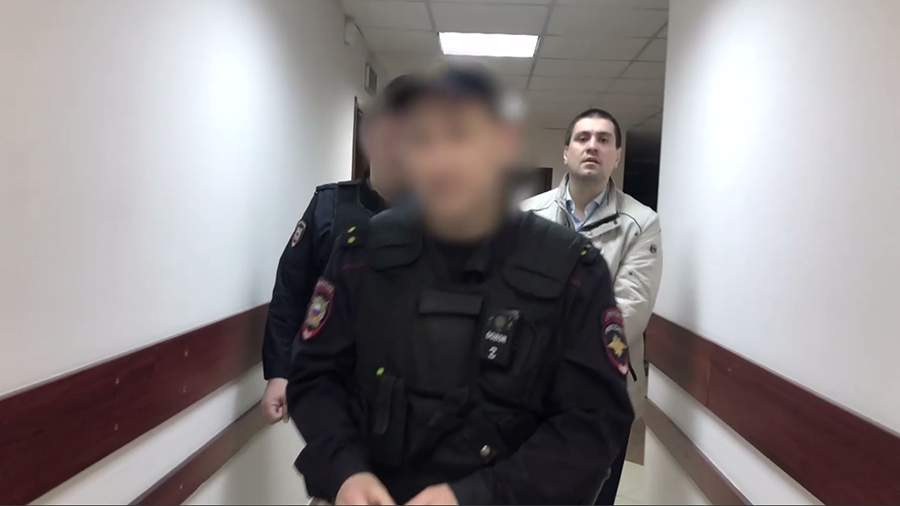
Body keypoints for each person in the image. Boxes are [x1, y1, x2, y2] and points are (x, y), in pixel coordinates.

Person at [287, 65, 634, 505]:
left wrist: (474, 496)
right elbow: (315, 376)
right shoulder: (361, 253)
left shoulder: (572, 268)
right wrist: (344, 472)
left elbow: (594, 423)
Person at [521, 108, 663, 505]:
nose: (593, 146)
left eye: (604, 140)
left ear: (617, 156)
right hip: (529, 391)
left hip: (603, 395)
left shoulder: (641, 223)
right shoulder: (526, 216)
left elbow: (627, 313)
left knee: (593, 497)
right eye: (583, 138)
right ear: (566, 151)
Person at [259, 75, 414, 423]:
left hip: (410, 393)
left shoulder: (438, 218)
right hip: (332, 386)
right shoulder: (329, 206)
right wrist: (279, 373)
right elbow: (290, 291)